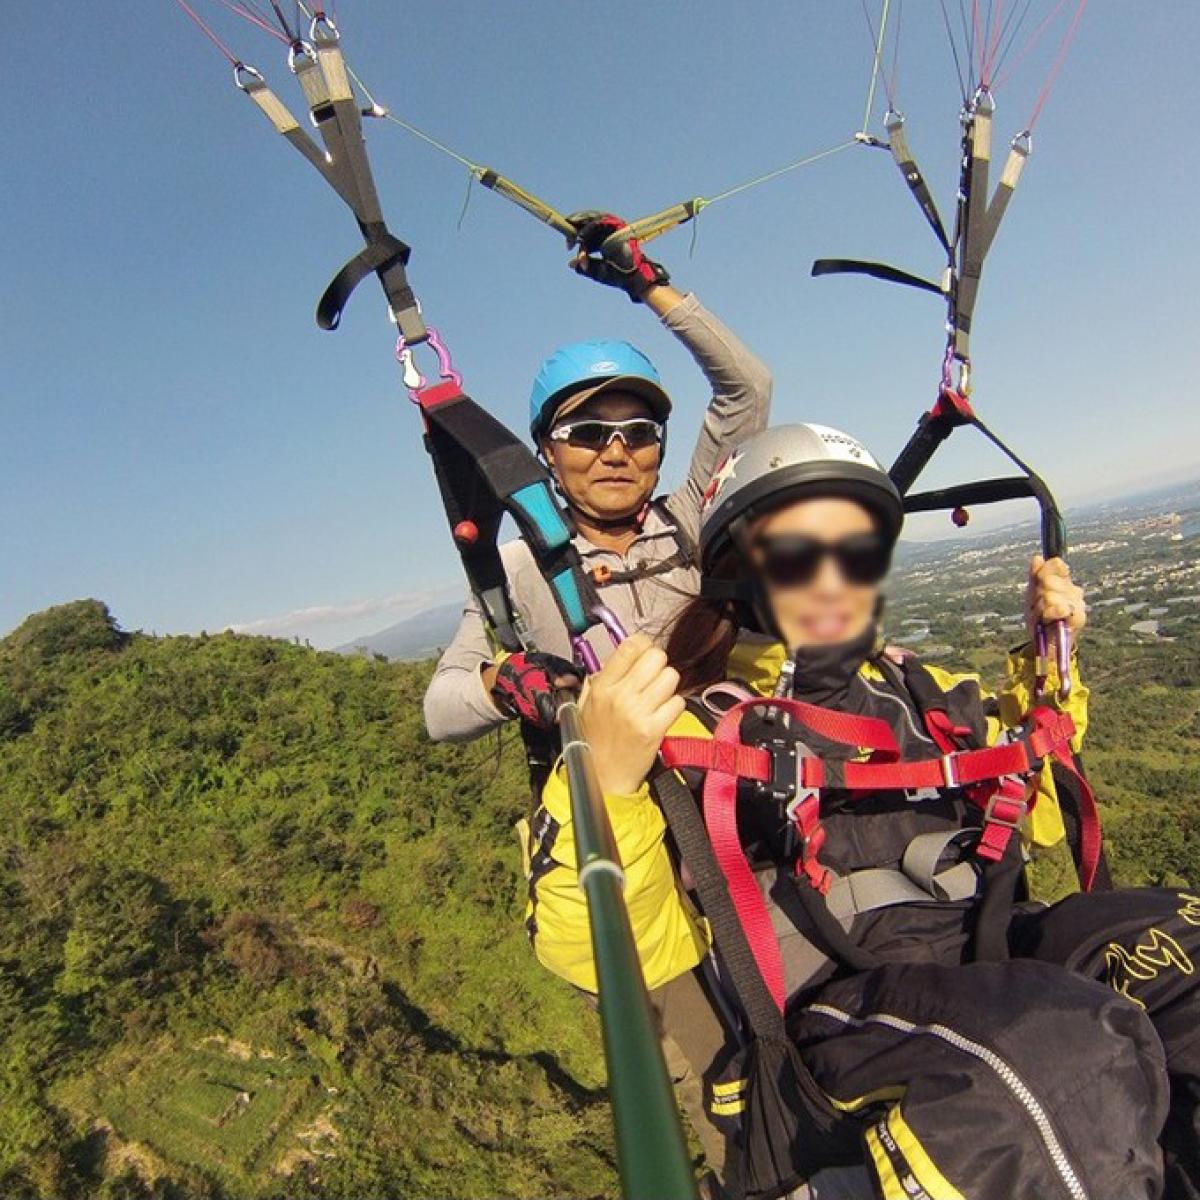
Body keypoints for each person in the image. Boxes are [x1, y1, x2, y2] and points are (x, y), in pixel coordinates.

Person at [525, 423, 1199, 1200]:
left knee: (1179, 951)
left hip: (999, 947)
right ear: (738, 570)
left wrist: (1050, 665)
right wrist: (605, 779)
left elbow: (1036, 814)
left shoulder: (925, 690)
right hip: (842, 1009)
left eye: (856, 552)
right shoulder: (688, 721)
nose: (833, 578)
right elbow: (602, 952)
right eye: (799, 554)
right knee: (1057, 1064)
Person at [423, 213, 771, 745]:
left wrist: (647, 284)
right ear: (547, 452)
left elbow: (747, 388)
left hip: (729, 780)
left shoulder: (690, 522)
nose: (616, 452)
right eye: (587, 433)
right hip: (618, 801)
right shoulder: (520, 567)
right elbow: (441, 712)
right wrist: (503, 682)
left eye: (638, 432)